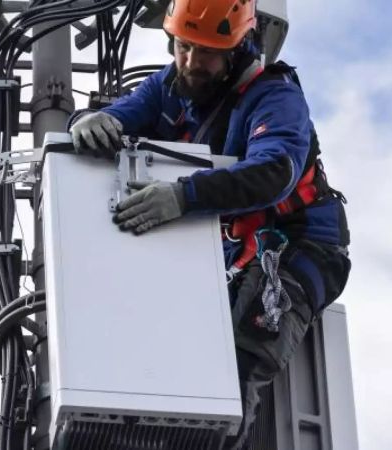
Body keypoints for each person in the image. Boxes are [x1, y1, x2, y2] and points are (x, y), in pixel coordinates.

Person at [67, 0, 351, 447]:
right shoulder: (170, 86)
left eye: (207, 53)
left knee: (234, 367)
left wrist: (184, 197)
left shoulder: (273, 96)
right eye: (183, 47)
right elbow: (123, 116)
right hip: (235, 255)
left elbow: (274, 171)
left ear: (237, 49)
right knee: (170, 353)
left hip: (297, 249)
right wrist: (88, 121)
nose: (192, 63)